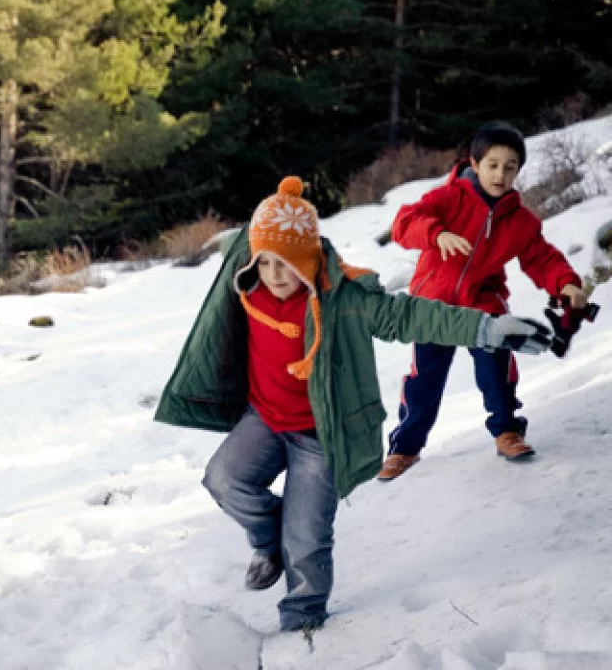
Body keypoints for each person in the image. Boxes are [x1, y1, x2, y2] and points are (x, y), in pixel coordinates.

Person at [155, 176, 551, 632]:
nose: (275, 274)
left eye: (287, 264)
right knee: (223, 480)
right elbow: (253, 236)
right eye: (265, 263)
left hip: (322, 434)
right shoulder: (245, 281)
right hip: (264, 418)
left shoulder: (343, 298)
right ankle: (268, 540)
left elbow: (411, 315)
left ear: (307, 261)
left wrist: (488, 329)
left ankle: (302, 619)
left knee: (307, 539)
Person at [378, 121, 588, 482]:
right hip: (434, 305)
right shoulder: (448, 198)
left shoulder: (519, 220)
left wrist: (567, 285)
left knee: (497, 367)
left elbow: (541, 258)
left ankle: (507, 430)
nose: (500, 174)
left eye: (510, 167)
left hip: (483, 300)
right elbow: (404, 222)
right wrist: (436, 233)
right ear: (474, 164)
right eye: (492, 165)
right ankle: (404, 449)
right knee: (422, 380)